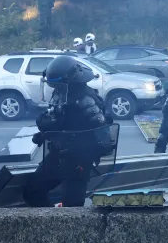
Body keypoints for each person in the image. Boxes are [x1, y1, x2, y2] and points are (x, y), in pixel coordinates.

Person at [24, 55, 113, 207]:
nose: (56, 88)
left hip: (79, 159)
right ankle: (49, 220)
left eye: (59, 84)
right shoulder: (62, 92)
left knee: (73, 206)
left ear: (72, 80)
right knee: (33, 190)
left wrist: (54, 127)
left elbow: (99, 129)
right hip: (59, 154)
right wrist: (45, 133)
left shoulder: (86, 100)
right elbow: (60, 120)